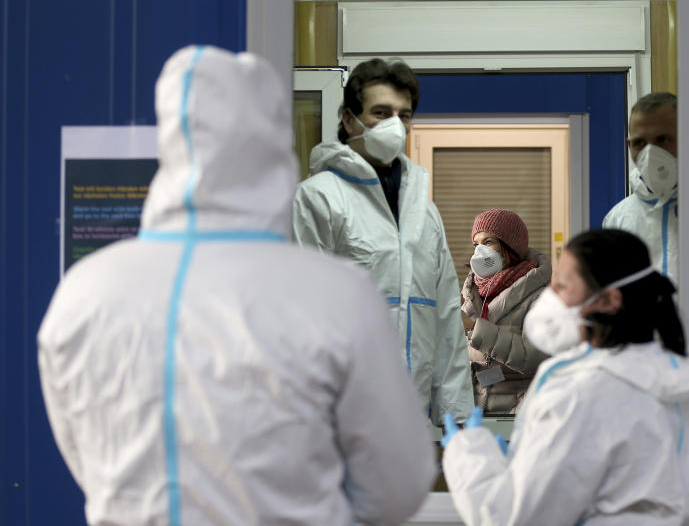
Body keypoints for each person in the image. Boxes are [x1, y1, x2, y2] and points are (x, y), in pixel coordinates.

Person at [37, 46, 436, 526]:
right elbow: (398, 488)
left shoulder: (85, 292)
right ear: (274, 140)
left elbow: (87, 458)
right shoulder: (337, 295)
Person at [441, 229, 689, 526]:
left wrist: (469, 453)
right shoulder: (666, 377)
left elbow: (510, 516)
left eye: (563, 286)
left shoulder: (581, 395)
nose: (549, 298)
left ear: (608, 300)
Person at [292, 58, 473, 425]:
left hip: (410, 423)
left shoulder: (424, 212)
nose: (395, 125)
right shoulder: (319, 199)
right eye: (381, 112)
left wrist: (458, 422)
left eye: (404, 115)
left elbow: (446, 323)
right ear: (348, 119)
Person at [462, 209, 551, 414]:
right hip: (478, 411)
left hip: (518, 413)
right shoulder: (475, 294)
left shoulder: (539, 296)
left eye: (488, 242)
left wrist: (479, 332)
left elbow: (535, 358)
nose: (479, 252)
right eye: (476, 244)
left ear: (511, 245)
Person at [603, 92, 679, 285]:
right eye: (640, 143)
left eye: (663, 139)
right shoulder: (617, 219)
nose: (650, 153)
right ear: (630, 146)